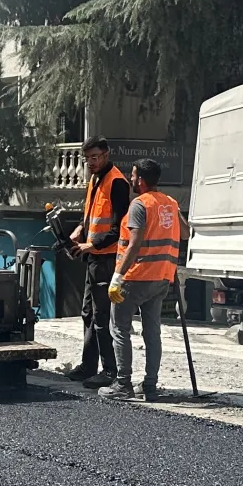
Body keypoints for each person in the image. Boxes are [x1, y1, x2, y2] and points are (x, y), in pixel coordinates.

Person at [104, 158, 183, 400]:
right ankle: (150, 385)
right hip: (161, 278)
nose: (131, 179)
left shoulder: (140, 205)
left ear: (141, 179)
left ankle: (123, 384)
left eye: (134, 175)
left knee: (119, 329)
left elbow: (135, 243)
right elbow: (186, 231)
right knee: (152, 332)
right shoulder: (170, 203)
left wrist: (117, 277)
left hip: (136, 277)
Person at [62, 138, 133, 388]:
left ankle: (110, 371)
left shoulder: (117, 183)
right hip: (94, 256)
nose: (91, 162)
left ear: (106, 154)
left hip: (108, 257)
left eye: (95, 157)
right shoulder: (94, 180)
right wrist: (78, 231)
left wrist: (90, 245)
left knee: (102, 316)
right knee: (88, 314)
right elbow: (90, 216)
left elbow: (118, 228)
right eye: (87, 158)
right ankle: (88, 366)